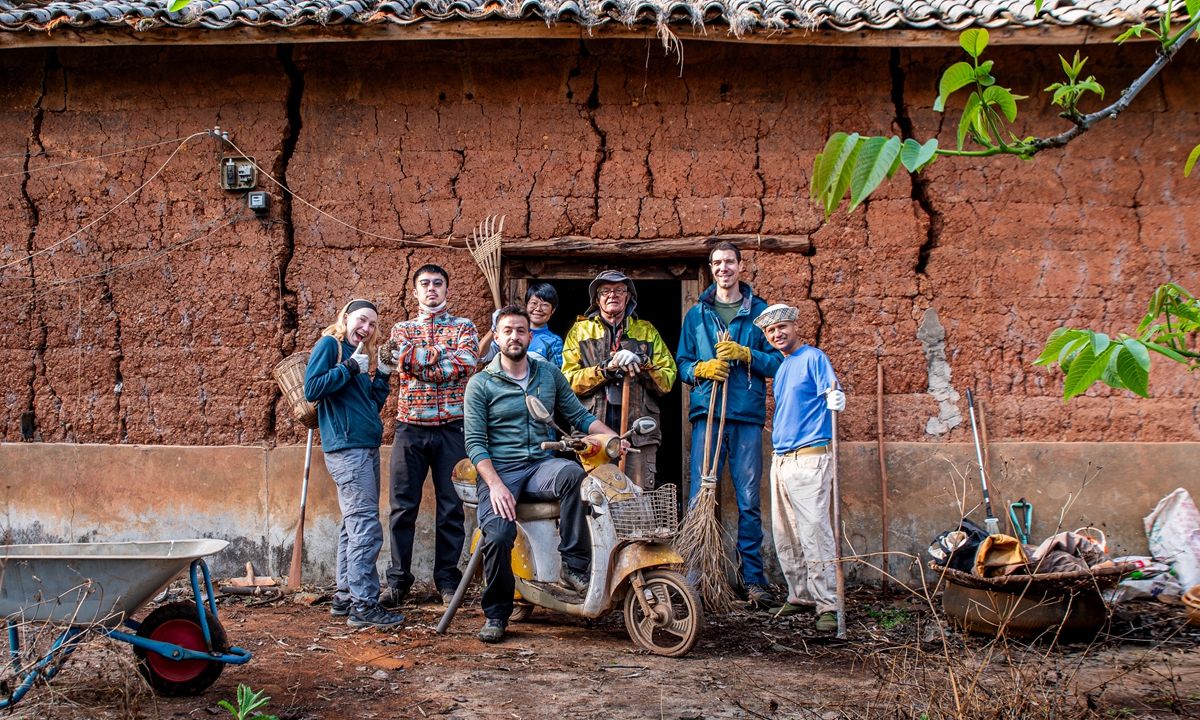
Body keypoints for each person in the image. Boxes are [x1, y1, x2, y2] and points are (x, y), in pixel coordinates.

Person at [464, 305, 625, 644]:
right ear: (497, 337)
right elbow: (475, 443)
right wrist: (494, 485)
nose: (514, 336)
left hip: (540, 466)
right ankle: (496, 614)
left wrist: (610, 438)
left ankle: (573, 568)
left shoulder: (548, 374)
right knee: (497, 536)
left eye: (520, 331)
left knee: (573, 474)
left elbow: (579, 417)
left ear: (530, 335)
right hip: (500, 471)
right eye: (507, 330)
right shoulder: (480, 384)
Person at [676, 242, 784, 609]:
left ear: (741, 266)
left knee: (748, 500)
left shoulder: (760, 313)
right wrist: (701, 370)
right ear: (710, 268)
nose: (724, 268)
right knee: (700, 496)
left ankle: (752, 579)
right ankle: (696, 573)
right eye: (717, 263)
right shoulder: (697, 315)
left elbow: (778, 363)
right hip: (708, 413)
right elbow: (682, 365)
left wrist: (747, 354)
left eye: (730, 262)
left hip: (746, 415)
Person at [303, 299, 405, 629]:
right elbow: (312, 387)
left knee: (353, 524)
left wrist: (383, 375)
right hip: (347, 449)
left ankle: (345, 597)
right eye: (362, 320)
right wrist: (349, 367)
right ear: (345, 318)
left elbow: (369, 404)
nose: (367, 328)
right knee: (365, 527)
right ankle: (364, 605)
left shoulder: (359, 354)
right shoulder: (330, 345)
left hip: (363, 446)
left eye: (373, 324)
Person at [381, 264, 479, 608]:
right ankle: (397, 582)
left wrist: (421, 360)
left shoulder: (464, 327)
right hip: (409, 427)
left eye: (438, 283)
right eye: (425, 284)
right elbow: (400, 358)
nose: (432, 289)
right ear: (415, 291)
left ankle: (447, 580)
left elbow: (466, 364)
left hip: (452, 428)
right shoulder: (402, 329)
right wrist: (438, 358)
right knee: (402, 507)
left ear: (447, 290)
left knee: (451, 508)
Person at [753, 303, 847, 633]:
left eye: (783, 327)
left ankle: (829, 604)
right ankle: (801, 595)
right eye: (771, 331)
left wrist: (839, 399)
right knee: (786, 533)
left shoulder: (814, 358)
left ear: (795, 327)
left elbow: (831, 391)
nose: (778, 334)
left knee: (814, 532)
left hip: (810, 457)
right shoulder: (782, 367)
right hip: (782, 459)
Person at [561, 270, 676, 489]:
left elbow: (667, 380)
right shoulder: (580, 331)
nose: (612, 295)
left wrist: (641, 363)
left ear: (629, 297)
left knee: (637, 499)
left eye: (619, 290)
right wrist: (605, 370)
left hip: (638, 434)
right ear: (597, 299)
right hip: (593, 434)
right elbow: (568, 381)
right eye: (605, 291)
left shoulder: (647, 331)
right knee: (595, 499)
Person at [477, 282, 566, 366]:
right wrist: (494, 328)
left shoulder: (554, 341)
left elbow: (557, 375)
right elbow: (480, 355)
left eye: (545, 305)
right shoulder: (510, 334)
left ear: (553, 310)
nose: (538, 308)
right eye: (534, 303)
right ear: (526, 305)